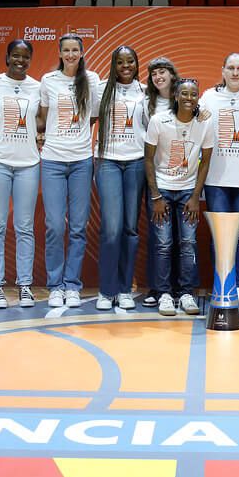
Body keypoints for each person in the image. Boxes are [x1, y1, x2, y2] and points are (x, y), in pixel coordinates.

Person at [37, 34, 101, 308]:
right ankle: (55, 285)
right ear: (60, 53)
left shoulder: (93, 80)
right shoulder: (48, 80)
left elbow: (94, 116)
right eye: (67, 50)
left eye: (76, 50)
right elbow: (42, 116)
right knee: (54, 225)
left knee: (77, 227)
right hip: (52, 160)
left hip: (81, 161)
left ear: (82, 52)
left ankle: (72, 285)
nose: (71, 54)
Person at [144, 78, 214, 315]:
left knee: (188, 243)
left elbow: (205, 163)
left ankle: (186, 293)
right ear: (175, 95)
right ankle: (164, 293)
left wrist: (196, 196)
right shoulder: (158, 120)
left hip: (188, 191)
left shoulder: (205, 122)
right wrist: (155, 196)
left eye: (193, 94)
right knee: (163, 244)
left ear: (198, 98)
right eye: (184, 93)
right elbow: (148, 159)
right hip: (162, 189)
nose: (188, 98)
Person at [0, 39, 40, 310]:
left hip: (28, 163)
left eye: (25, 57)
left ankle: (25, 286)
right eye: (15, 55)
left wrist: (41, 133)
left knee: (25, 226)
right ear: (7, 57)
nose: (20, 60)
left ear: (30, 60)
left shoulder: (38, 87)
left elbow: (46, 119)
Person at [199, 53, 239, 310]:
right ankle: (222, 284)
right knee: (220, 237)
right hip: (216, 179)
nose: (235, 72)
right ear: (222, 70)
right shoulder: (209, 96)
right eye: (231, 68)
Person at [95, 45, 148, 311]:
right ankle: (107, 290)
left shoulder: (145, 92)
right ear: (113, 65)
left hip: (137, 163)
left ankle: (125, 289)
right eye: (120, 62)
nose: (126, 66)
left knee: (130, 228)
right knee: (112, 229)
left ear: (137, 64)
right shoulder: (101, 89)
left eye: (130, 62)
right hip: (107, 162)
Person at [141, 56, 182, 307]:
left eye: (163, 71)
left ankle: (180, 288)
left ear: (172, 75)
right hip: (157, 177)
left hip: (183, 178)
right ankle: (158, 289)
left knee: (182, 238)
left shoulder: (185, 98)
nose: (159, 76)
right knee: (159, 237)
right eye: (154, 73)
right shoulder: (147, 103)